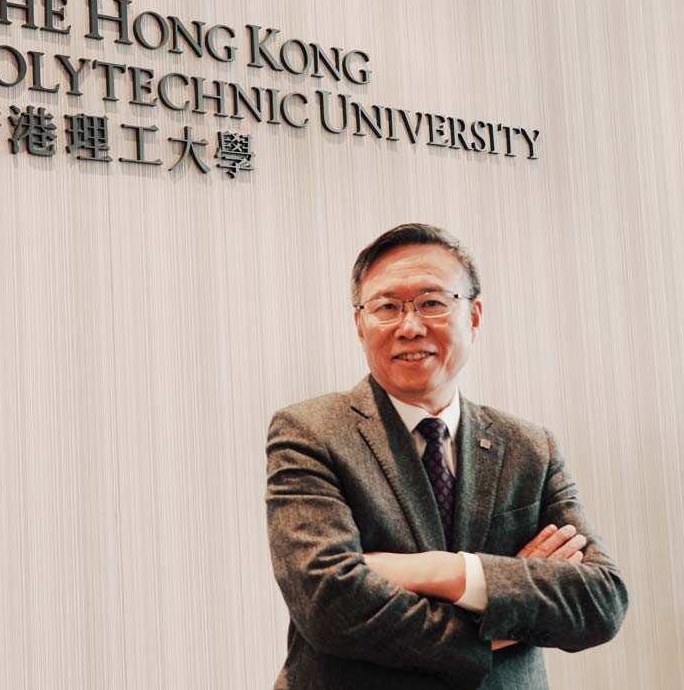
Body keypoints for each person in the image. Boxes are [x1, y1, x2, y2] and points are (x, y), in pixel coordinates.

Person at [265, 223, 628, 690]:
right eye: (387, 307)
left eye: (432, 302)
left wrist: (448, 570)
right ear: (359, 324)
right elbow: (328, 602)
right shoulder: (310, 432)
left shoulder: (530, 446)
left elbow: (600, 602)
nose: (410, 326)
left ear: (473, 316)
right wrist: (502, 607)